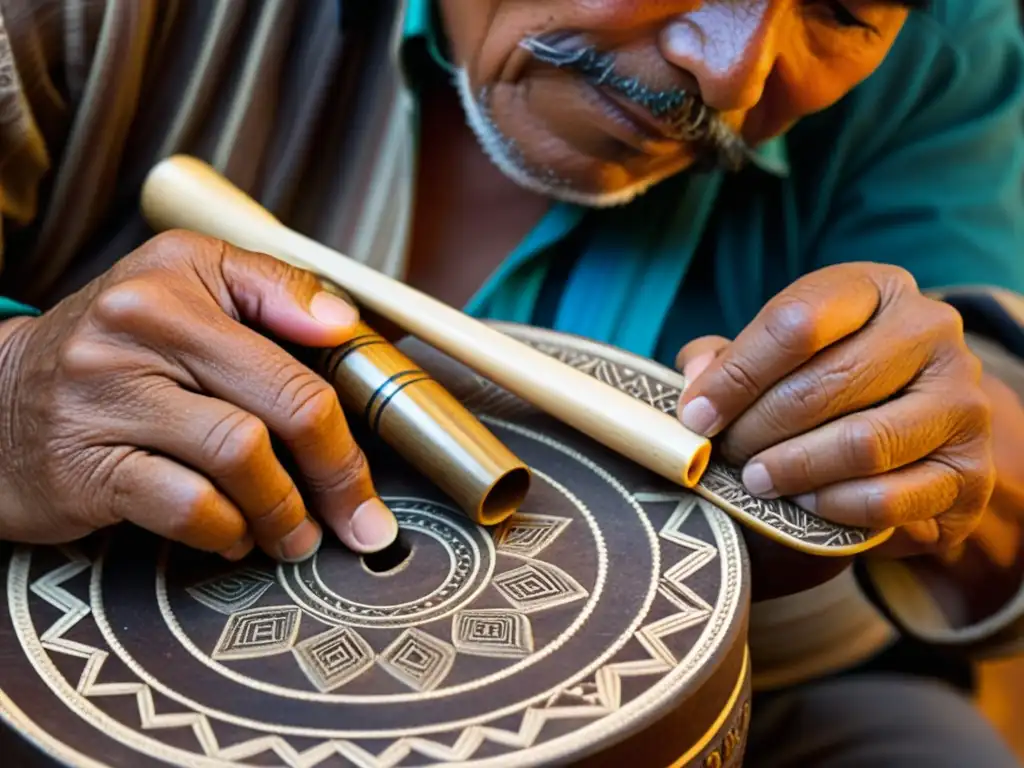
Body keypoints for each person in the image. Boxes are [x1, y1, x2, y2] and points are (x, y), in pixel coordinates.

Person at [0, 0, 1022, 765]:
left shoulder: (948, 38)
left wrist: (948, 449)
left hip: (754, 696)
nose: (731, 72)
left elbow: (996, 436)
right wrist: (12, 397)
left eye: (840, 8)